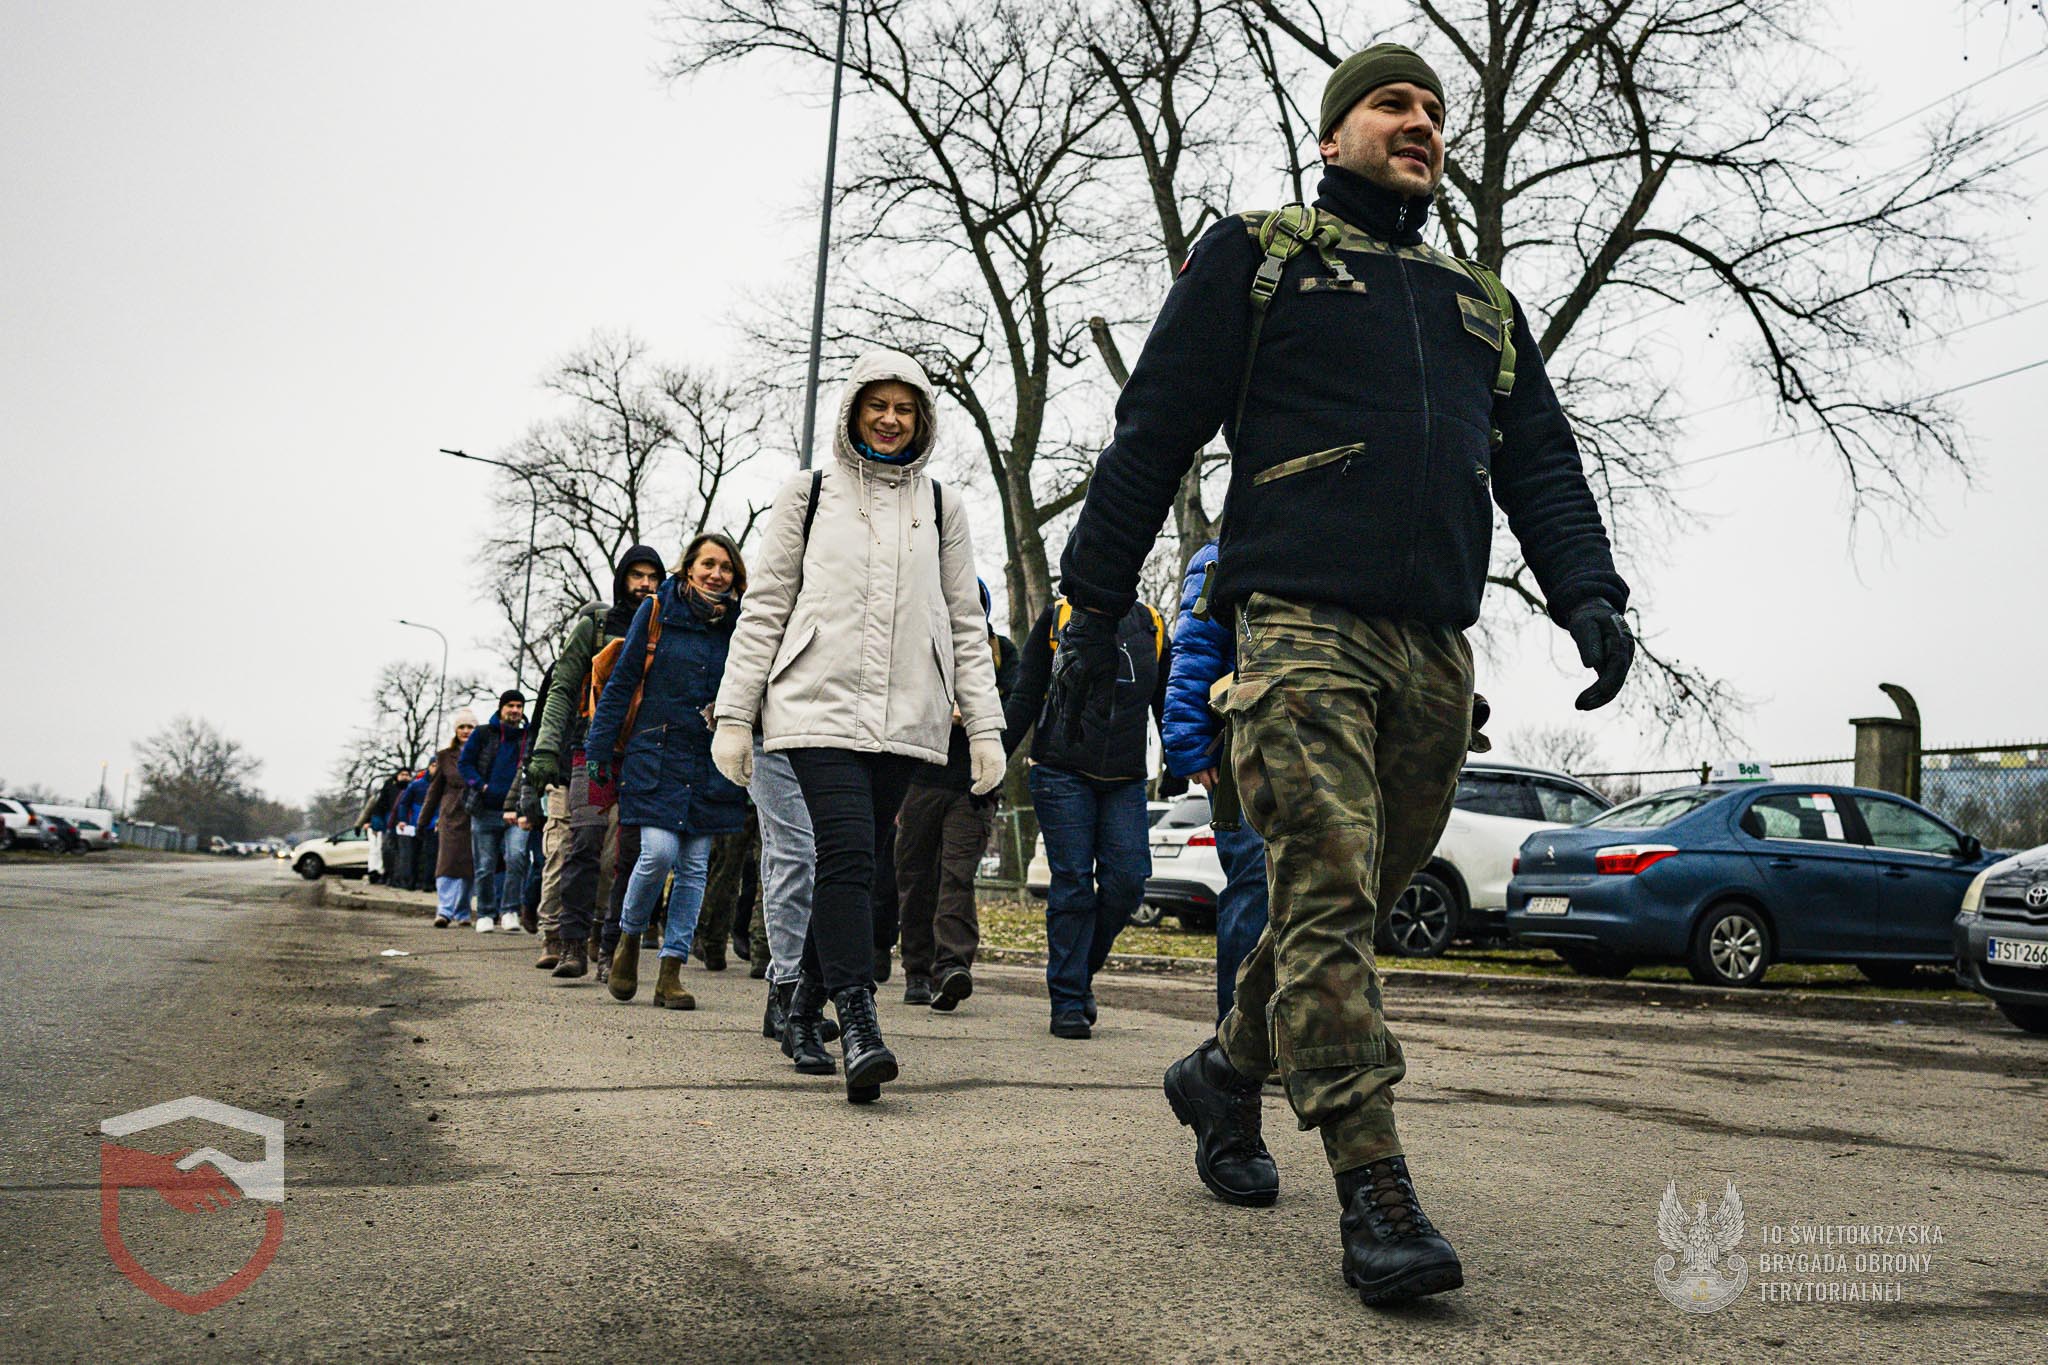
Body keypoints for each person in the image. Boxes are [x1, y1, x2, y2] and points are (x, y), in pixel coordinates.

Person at [1051, 43, 1635, 1305]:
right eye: (1389, 104)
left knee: (1348, 906)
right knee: (1321, 887)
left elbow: (1539, 460)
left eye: (1432, 110)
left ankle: (1222, 1071)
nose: (1418, 122)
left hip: (1430, 648)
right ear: (1331, 137)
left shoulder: (1479, 304)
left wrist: (1587, 592)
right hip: (1295, 627)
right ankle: (1374, 1189)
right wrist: (1091, 609)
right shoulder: (1257, 258)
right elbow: (1151, 432)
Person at [712, 348, 1005, 1105]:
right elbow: (765, 605)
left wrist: (985, 728)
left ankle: (800, 1006)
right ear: (853, 410)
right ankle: (860, 1022)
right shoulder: (807, 494)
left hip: (907, 713)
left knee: (859, 865)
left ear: (922, 419)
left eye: (904, 408)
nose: (890, 419)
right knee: (843, 853)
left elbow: (965, 622)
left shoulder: (942, 506)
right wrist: (736, 714)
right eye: (877, 405)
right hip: (815, 703)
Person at [586, 534, 751, 1011]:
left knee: (695, 868)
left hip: (711, 759)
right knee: (657, 854)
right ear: (689, 567)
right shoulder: (658, 610)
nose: (716, 574)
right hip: (656, 752)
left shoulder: (743, 625)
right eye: (708, 564)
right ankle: (629, 938)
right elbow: (622, 680)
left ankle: (670, 972)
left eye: (726, 567)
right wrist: (599, 746)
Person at [1003, 592, 1170, 1040]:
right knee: (1073, 883)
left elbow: (1166, 702)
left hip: (1126, 778)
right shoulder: (1058, 616)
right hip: (1061, 770)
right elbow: (1025, 694)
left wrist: (1176, 762)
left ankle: (1080, 972)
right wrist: (993, 759)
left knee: (1128, 882)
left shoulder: (1152, 625)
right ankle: (1067, 999)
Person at [527, 546, 665, 980]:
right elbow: (561, 689)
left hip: (642, 754)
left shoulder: (666, 630)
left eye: (653, 577)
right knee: (583, 845)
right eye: (637, 575)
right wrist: (545, 749)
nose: (645, 584)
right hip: (590, 750)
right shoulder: (595, 626)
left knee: (627, 855)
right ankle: (571, 945)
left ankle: (609, 948)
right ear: (622, 579)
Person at [895, 578, 1019, 1010]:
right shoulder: (916, 647)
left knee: (957, 876)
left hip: (973, 788)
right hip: (918, 781)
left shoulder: (1001, 653)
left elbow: (1017, 706)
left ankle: (951, 967)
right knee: (915, 877)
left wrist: (983, 718)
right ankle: (917, 970)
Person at [1162, 541, 1269, 1021]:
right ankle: (1238, 1025)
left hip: (1312, 735)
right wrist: (1189, 745)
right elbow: (1194, 652)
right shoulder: (1220, 557)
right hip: (1239, 744)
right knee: (1252, 880)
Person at [459, 690, 528, 933]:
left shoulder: (527, 736)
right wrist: (481, 785)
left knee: (516, 859)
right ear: (501, 708)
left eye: (519, 706)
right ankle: (486, 913)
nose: (515, 710)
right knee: (485, 865)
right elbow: (464, 764)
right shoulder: (483, 734)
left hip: (517, 812)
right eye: (510, 705)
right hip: (484, 810)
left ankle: (510, 911)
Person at [421, 714, 480, 927]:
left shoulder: (482, 754)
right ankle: (444, 911)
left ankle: (463, 911)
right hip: (451, 816)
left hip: (474, 814)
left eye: (470, 727)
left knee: (469, 866)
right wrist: (423, 820)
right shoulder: (445, 756)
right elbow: (434, 791)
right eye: (462, 727)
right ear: (456, 730)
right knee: (447, 863)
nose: (466, 731)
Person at [355, 769, 406, 885]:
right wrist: (364, 824)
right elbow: (369, 811)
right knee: (378, 850)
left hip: (383, 825)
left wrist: (360, 824)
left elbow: (368, 811)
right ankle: (377, 872)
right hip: (380, 825)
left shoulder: (384, 795)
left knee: (378, 850)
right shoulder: (383, 796)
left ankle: (378, 872)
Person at [391, 767, 427, 892]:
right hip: (410, 826)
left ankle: (409, 880)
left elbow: (397, 808)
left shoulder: (410, 789)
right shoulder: (412, 789)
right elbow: (400, 807)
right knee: (412, 854)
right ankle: (411, 880)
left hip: (411, 825)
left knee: (410, 855)